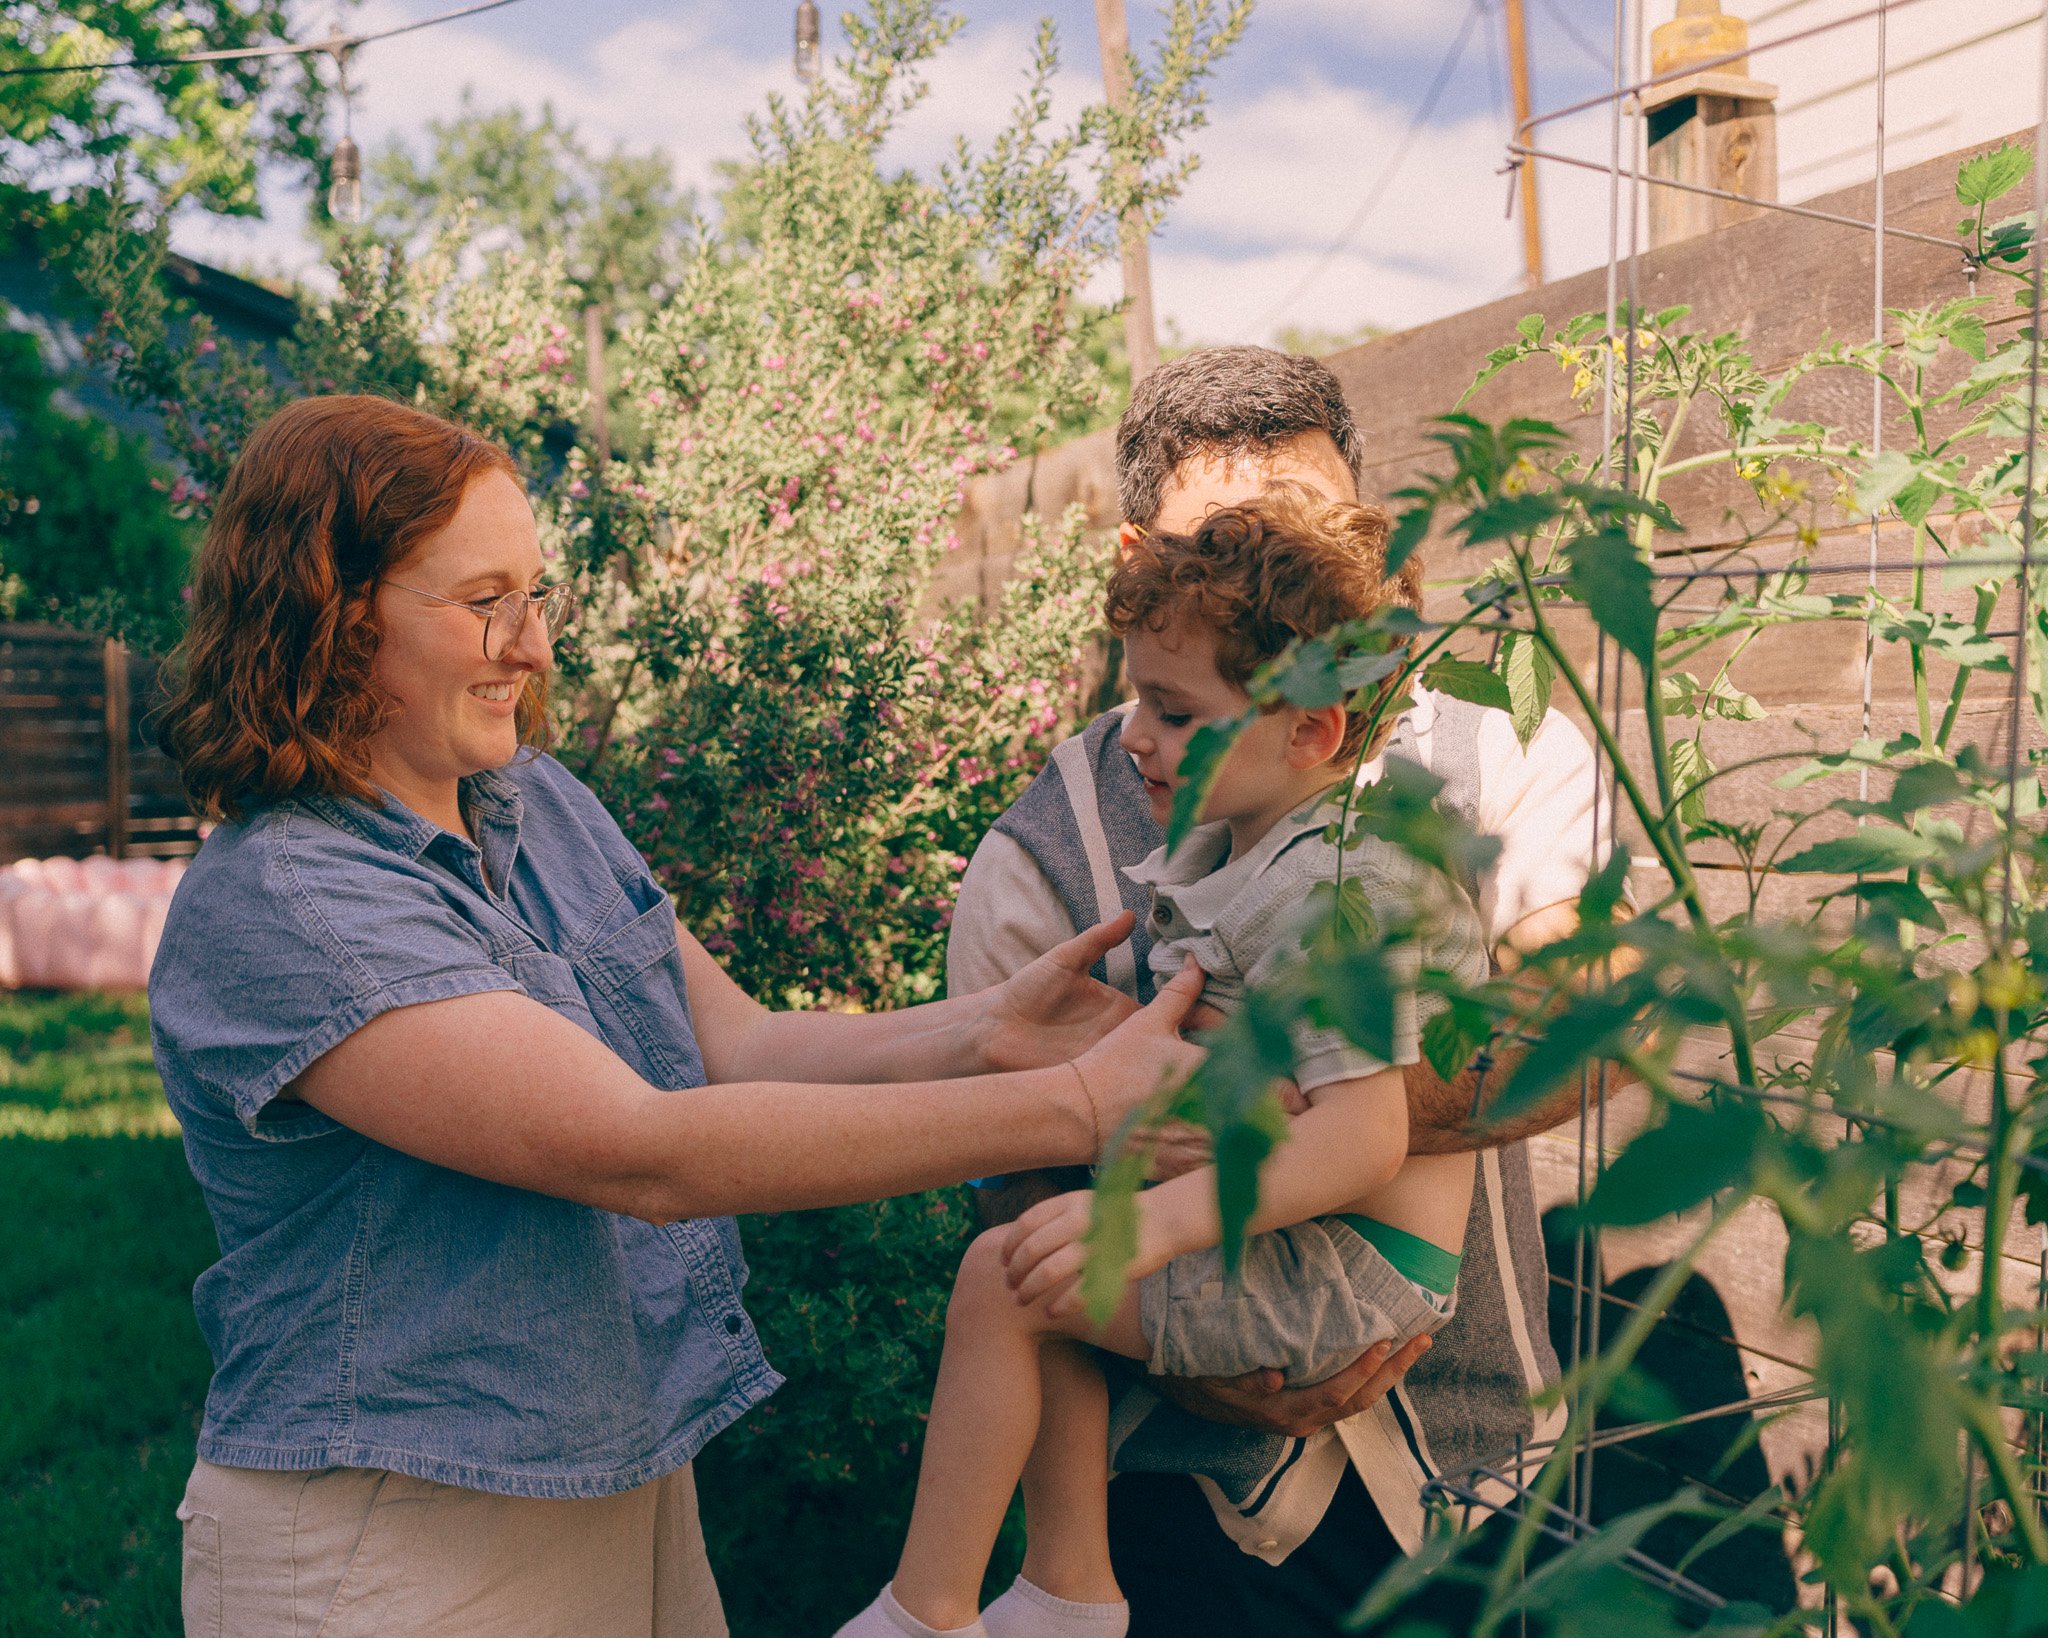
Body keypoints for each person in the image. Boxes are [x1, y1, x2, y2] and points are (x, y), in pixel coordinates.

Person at [148, 395, 1208, 1638]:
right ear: (333, 614)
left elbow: (730, 1046)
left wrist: (980, 1033)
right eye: (485, 601)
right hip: (391, 1538)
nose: (531, 646)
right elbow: (642, 1152)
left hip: (621, 1473)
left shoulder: (536, 803)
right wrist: (1073, 1106)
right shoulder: (289, 897)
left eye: (536, 595)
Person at [948, 347, 1619, 1633]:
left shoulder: (1502, 744)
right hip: (1183, 1507)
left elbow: (1591, 1017)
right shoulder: (1036, 853)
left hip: (1480, 1477)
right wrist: (1192, 1367)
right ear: (1143, 561)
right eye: (1233, 545)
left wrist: (1275, 1117)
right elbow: (1010, 1186)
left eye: (1312, 534)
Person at [838, 488, 1487, 1638]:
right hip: (1324, 1237)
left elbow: (1363, 1135)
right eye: (1138, 696)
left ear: (1310, 731)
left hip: (1353, 1270)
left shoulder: (1340, 890)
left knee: (1007, 1279)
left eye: (1175, 713)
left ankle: (929, 1610)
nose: (1134, 735)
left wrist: (1149, 1222)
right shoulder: (1267, 842)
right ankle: (1067, 1588)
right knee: (1047, 1247)